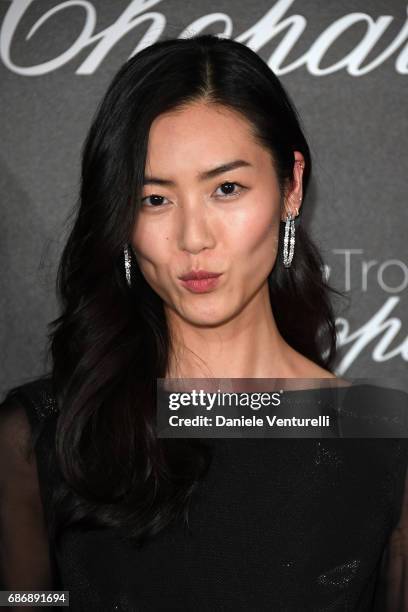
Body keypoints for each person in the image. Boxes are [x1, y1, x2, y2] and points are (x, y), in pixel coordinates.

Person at [0, 33, 407, 611]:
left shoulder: (386, 437)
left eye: (226, 189)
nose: (194, 238)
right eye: (155, 199)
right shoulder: (40, 439)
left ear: (291, 186)